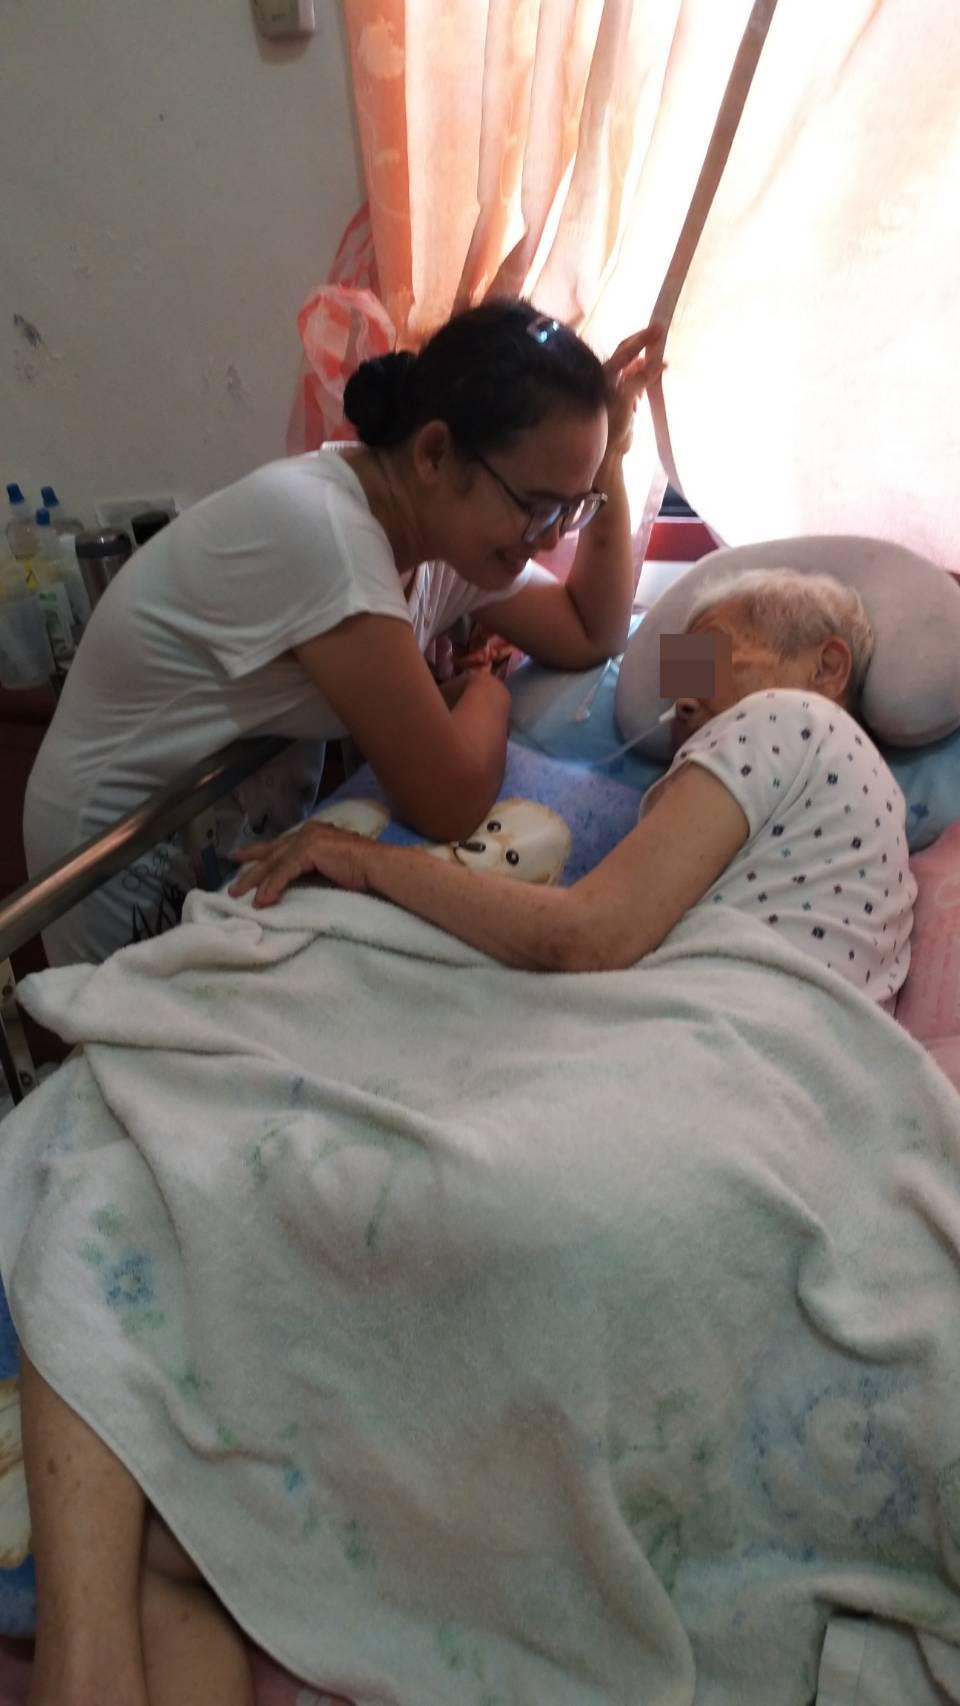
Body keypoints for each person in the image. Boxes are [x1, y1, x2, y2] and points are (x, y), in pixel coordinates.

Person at [23, 300, 662, 967]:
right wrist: (486, 691)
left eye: (571, 510)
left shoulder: (440, 536)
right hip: (121, 836)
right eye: (537, 507)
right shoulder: (323, 532)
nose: (552, 539)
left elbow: (592, 630)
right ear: (435, 453)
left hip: (225, 808)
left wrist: (611, 462)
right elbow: (447, 802)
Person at [232, 569, 918, 1005]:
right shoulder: (854, 802)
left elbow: (585, 935)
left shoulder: (792, 718)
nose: (681, 701)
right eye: (681, 674)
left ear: (827, 667)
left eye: (710, 659)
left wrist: (362, 860)